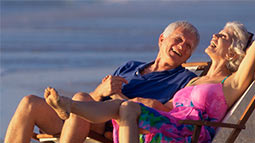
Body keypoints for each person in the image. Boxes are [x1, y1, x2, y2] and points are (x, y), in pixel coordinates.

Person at [43, 21, 254, 143]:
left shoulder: (232, 83)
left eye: (224, 36)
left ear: (233, 53)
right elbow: (167, 106)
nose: (215, 35)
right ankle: (70, 106)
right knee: (127, 106)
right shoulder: (197, 80)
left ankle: (72, 107)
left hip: (188, 132)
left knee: (128, 108)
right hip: (168, 122)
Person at [5, 21, 200, 143]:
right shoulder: (130, 66)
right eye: (178, 39)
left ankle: (70, 108)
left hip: (115, 126)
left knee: (81, 98)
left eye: (188, 46)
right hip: (83, 118)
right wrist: (101, 90)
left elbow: (167, 113)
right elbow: (96, 97)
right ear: (162, 39)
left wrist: (116, 95)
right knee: (29, 103)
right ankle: (67, 108)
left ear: (189, 55)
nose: (182, 46)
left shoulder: (185, 81)